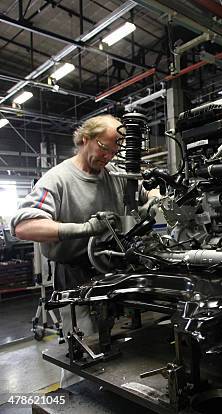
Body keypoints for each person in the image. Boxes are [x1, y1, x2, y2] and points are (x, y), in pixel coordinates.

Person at [10, 114, 129, 387]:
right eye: (104, 147)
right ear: (85, 139)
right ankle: (75, 399)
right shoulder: (58, 179)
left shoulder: (114, 176)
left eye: (115, 150)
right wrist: (83, 229)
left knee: (120, 346)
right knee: (82, 350)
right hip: (75, 276)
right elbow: (24, 226)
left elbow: (148, 193)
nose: (109, 156)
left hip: (114, 271)